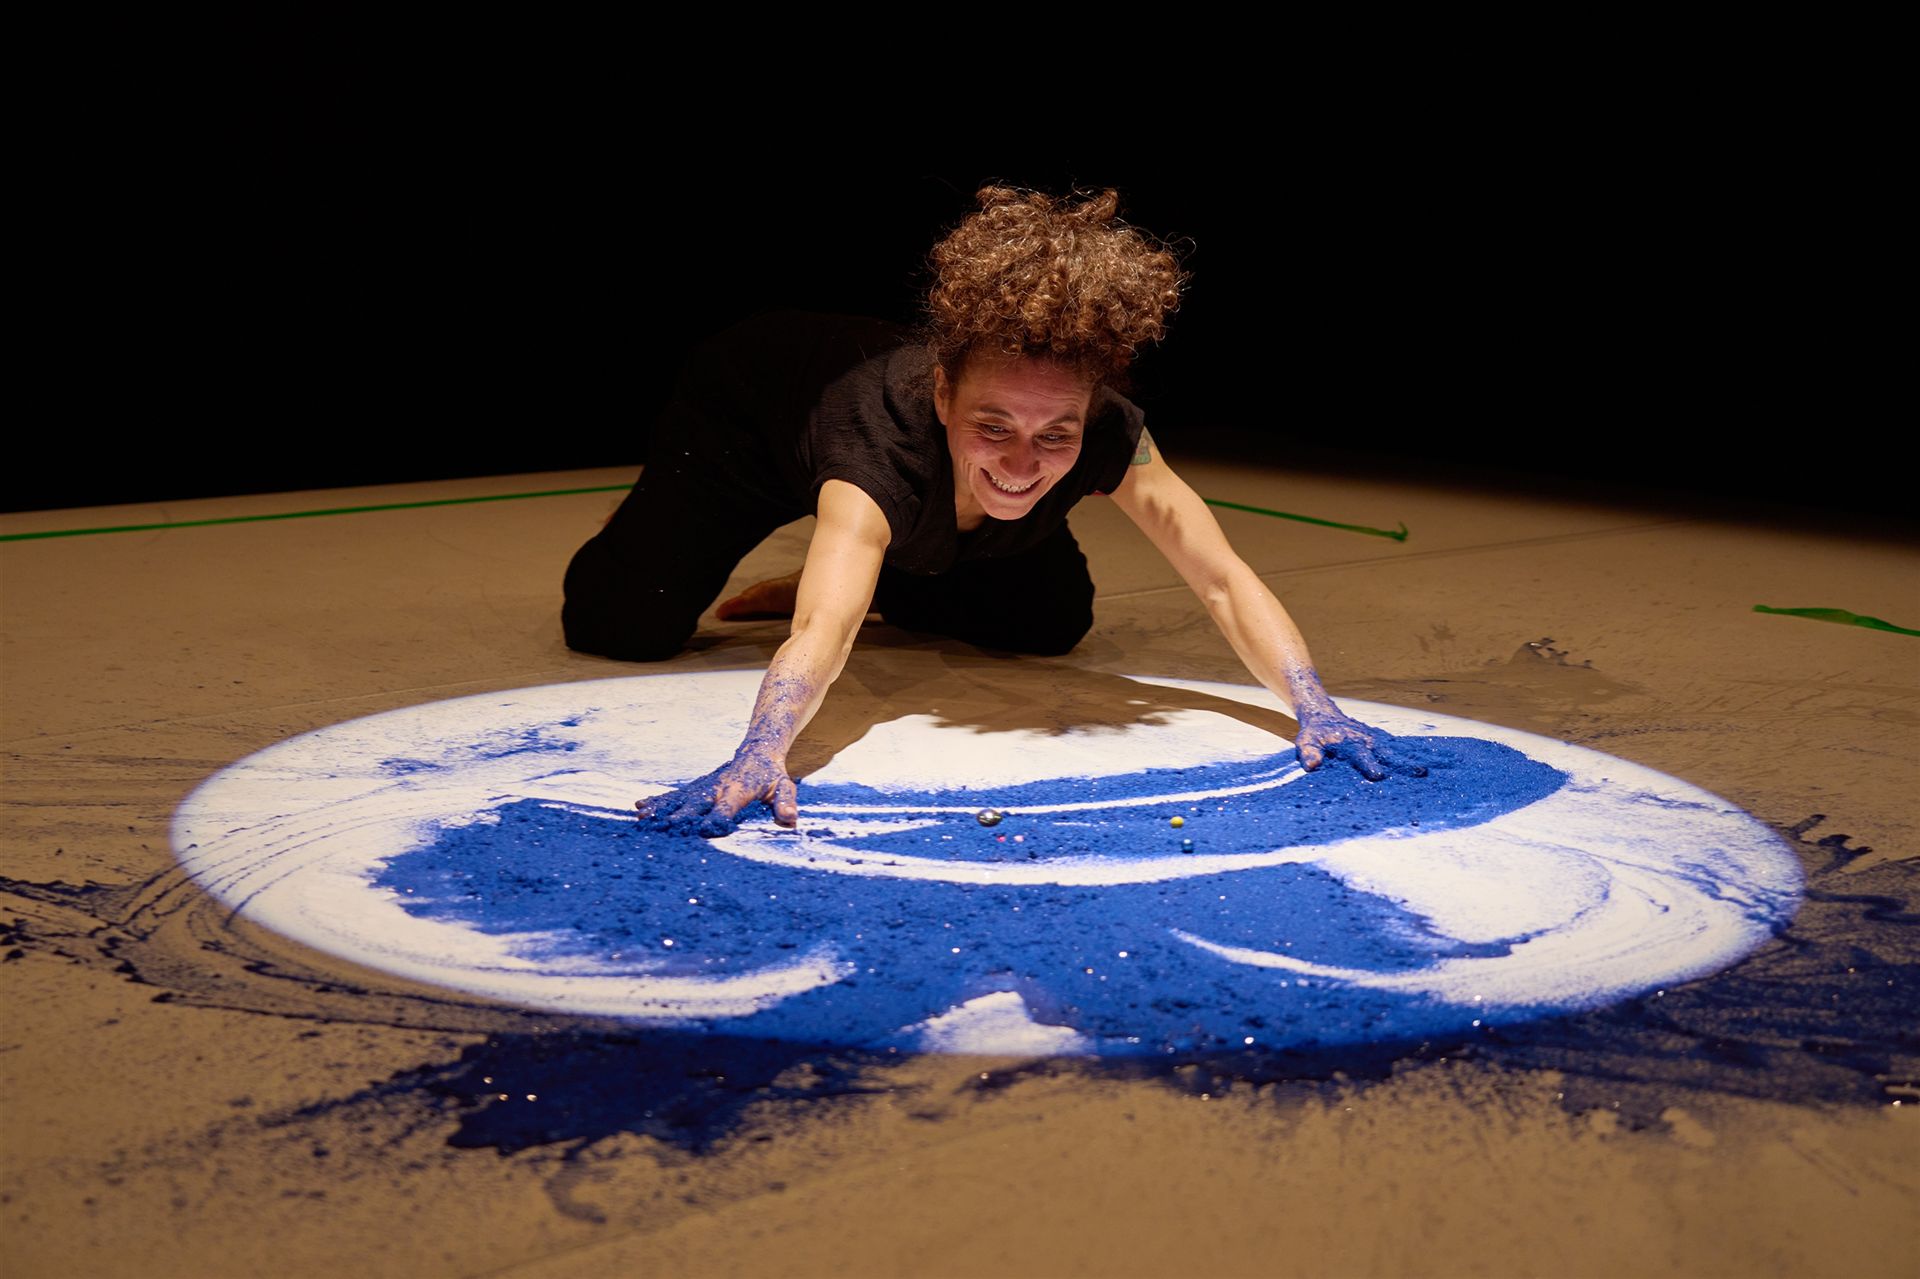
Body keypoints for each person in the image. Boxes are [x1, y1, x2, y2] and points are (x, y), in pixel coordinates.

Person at [562, 187, 1426, 834]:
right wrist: (762, 750)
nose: (1020, 464)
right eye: (993, 425)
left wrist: (1316, 705)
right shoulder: (879, 441)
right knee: (623, 620)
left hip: (913, 498)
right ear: (943, 394)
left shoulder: (1111, 431)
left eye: (1056, 434)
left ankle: (875, 560)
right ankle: (657, 536)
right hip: (753, 421)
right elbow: (825, 629)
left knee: (1050, 620)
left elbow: (1222, 578)